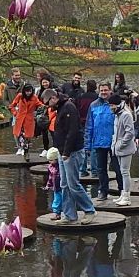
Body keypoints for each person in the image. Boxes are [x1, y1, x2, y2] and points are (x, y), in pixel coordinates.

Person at [46, 90, 95, 224]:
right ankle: (69, 215)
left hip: (72, 152)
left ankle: (89, 210)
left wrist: (66, 152)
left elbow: (72, 131)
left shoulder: (68, 107)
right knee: (64, 184)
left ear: (54, 98)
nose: (49, 106)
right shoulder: (61, 108)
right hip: (63, 152)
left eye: (49, 102)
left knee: (73, 184)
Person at [84, 82, 116, 201]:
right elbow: (89, 126)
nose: (103, 92)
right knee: (101, 169)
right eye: (101, 90)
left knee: (118, 169)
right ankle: (103, 191)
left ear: (110, 90)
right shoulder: (93, 105)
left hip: (113, 142)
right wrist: (87, 144)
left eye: (106, 90)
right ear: (98, 91)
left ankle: (122, 191)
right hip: (98, 142)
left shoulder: (114, 104)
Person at [110, 92, 137, 205]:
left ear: (117, 104)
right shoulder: (117, 114)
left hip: (125, 149)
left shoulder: (125, 114)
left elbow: (129, 133)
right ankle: (123, 194)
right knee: (122, 172)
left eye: (112, 105)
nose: (110, 107)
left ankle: (126, 197)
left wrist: (121, 144)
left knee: (125, 172)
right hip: (118, 148)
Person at [9, 84, 42, 155]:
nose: (28, 93)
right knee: (18, 134)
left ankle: (25, 149)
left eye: (30, 91)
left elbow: (40, 105)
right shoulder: (20, 96)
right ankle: (19, 148)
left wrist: (43, 108)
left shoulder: (34, 97)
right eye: (27, 91)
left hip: (29, 118)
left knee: (28, 135)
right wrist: (15, 113)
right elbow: (12, 105)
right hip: (20, 117)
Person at [43, 147, 63, 219]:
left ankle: (61, 212)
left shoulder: (61, 167)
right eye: (49, 160)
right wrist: (48, 185)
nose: (50, 162)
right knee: (56, 200)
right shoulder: (50, 167)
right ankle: (56, 212)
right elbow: (50, 177)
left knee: (61, 199)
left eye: (51, 160)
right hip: (56, 187)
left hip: (61, 186)